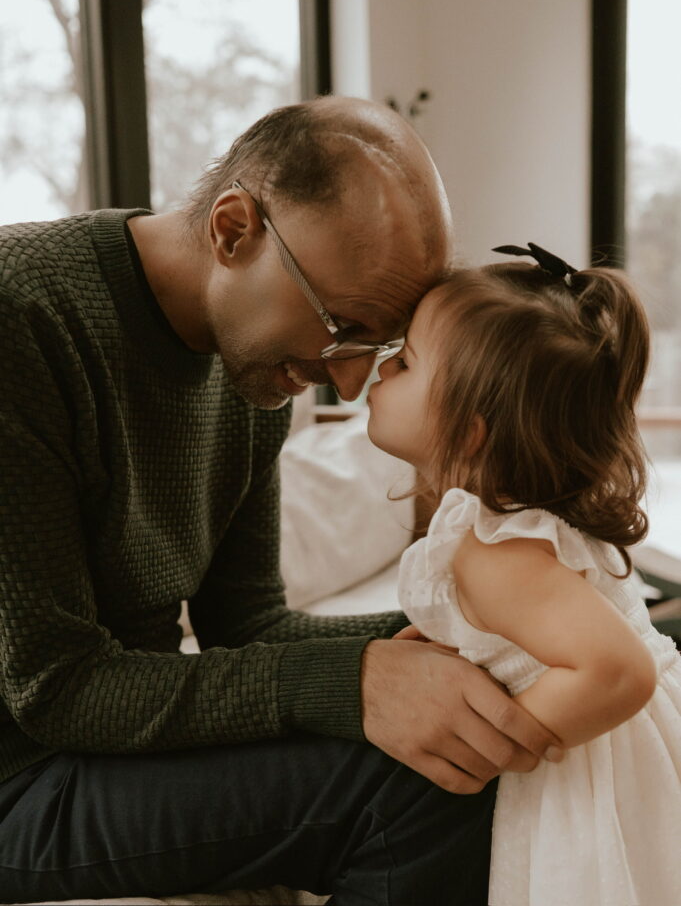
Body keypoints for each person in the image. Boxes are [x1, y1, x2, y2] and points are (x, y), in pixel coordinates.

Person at [0, 98, 561, 904]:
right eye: (343, 327)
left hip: (104, 745)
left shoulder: (249, 367)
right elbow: (56, 689)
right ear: (234, 229)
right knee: (418, 784)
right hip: (20, 770)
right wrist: (355, 680)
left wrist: (500, 625)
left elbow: (252, 625)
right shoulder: (22, 318)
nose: (345, 378)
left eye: (377, 346)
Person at [366, 242, 681, 906]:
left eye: (404, 361)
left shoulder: (493, 550)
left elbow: (617, 671)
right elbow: (531, 637)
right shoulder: (524, 526)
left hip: (592, 774)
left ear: (469, 433)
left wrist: (502, 742)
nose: (381, 368)